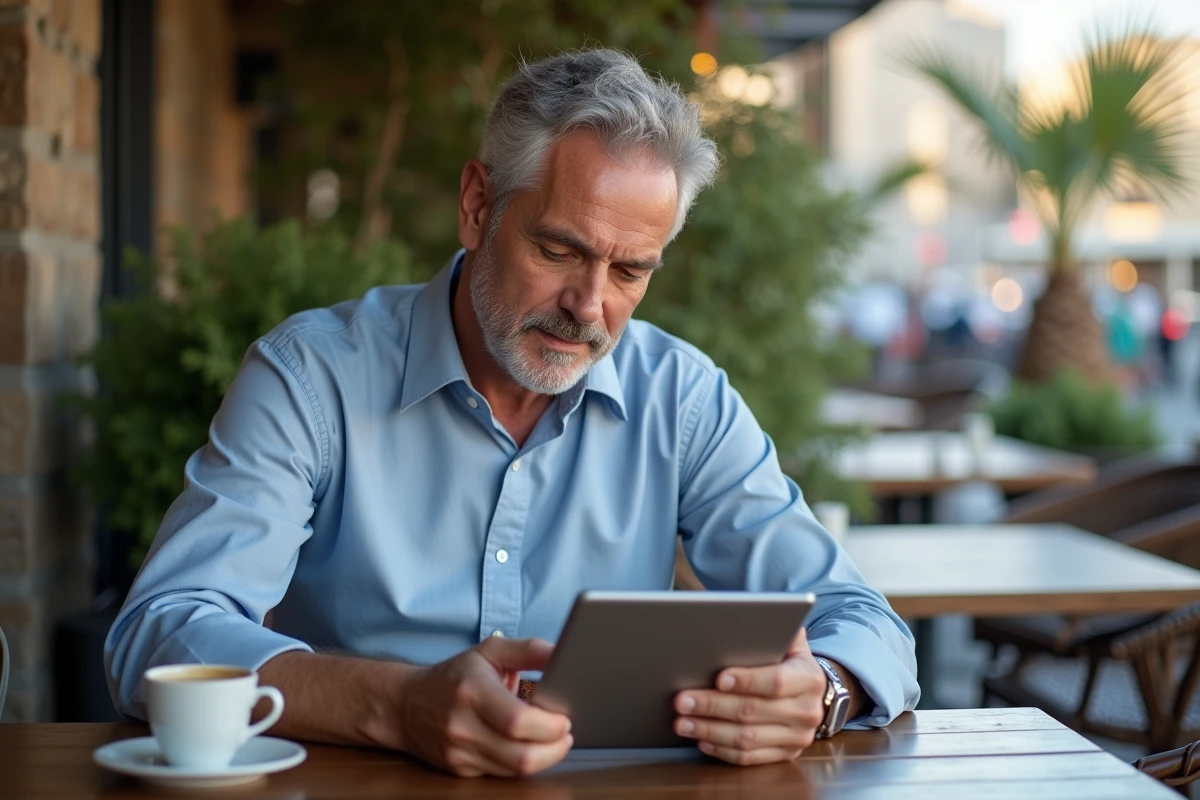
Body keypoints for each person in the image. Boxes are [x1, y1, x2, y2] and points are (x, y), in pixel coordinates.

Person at [105, 49, 919, 778]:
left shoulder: (684, 399)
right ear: (476, 204)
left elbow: (863, 622)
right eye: (558, 251)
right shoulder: (311, 378)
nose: (588, 308)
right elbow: (162, 630)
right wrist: (395, 704)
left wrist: (823, 691)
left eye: (631, 270)